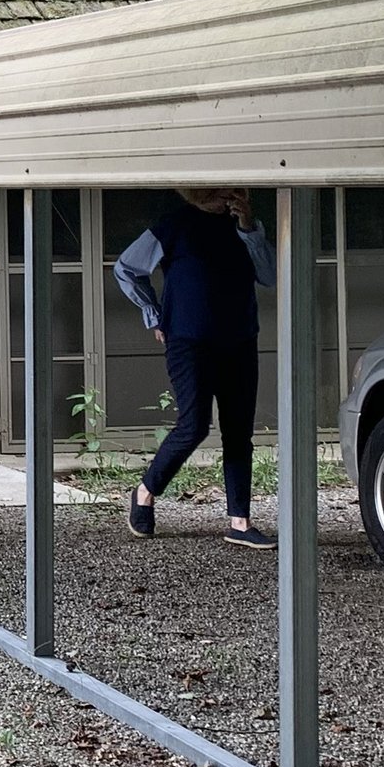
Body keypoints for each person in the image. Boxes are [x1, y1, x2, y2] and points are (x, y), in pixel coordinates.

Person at [112, 187, 276, 549]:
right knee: (193, 425)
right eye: (222, 192)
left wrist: (248, 228)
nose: (228, 198)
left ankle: (240, 521)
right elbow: (126, 268)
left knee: (238, 432)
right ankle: (145, 491)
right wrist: (153, 313)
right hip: (188, 341)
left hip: (240, 339)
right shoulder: (174, 225)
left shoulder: (246, 228)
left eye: (236, 192)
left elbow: (269, 275)